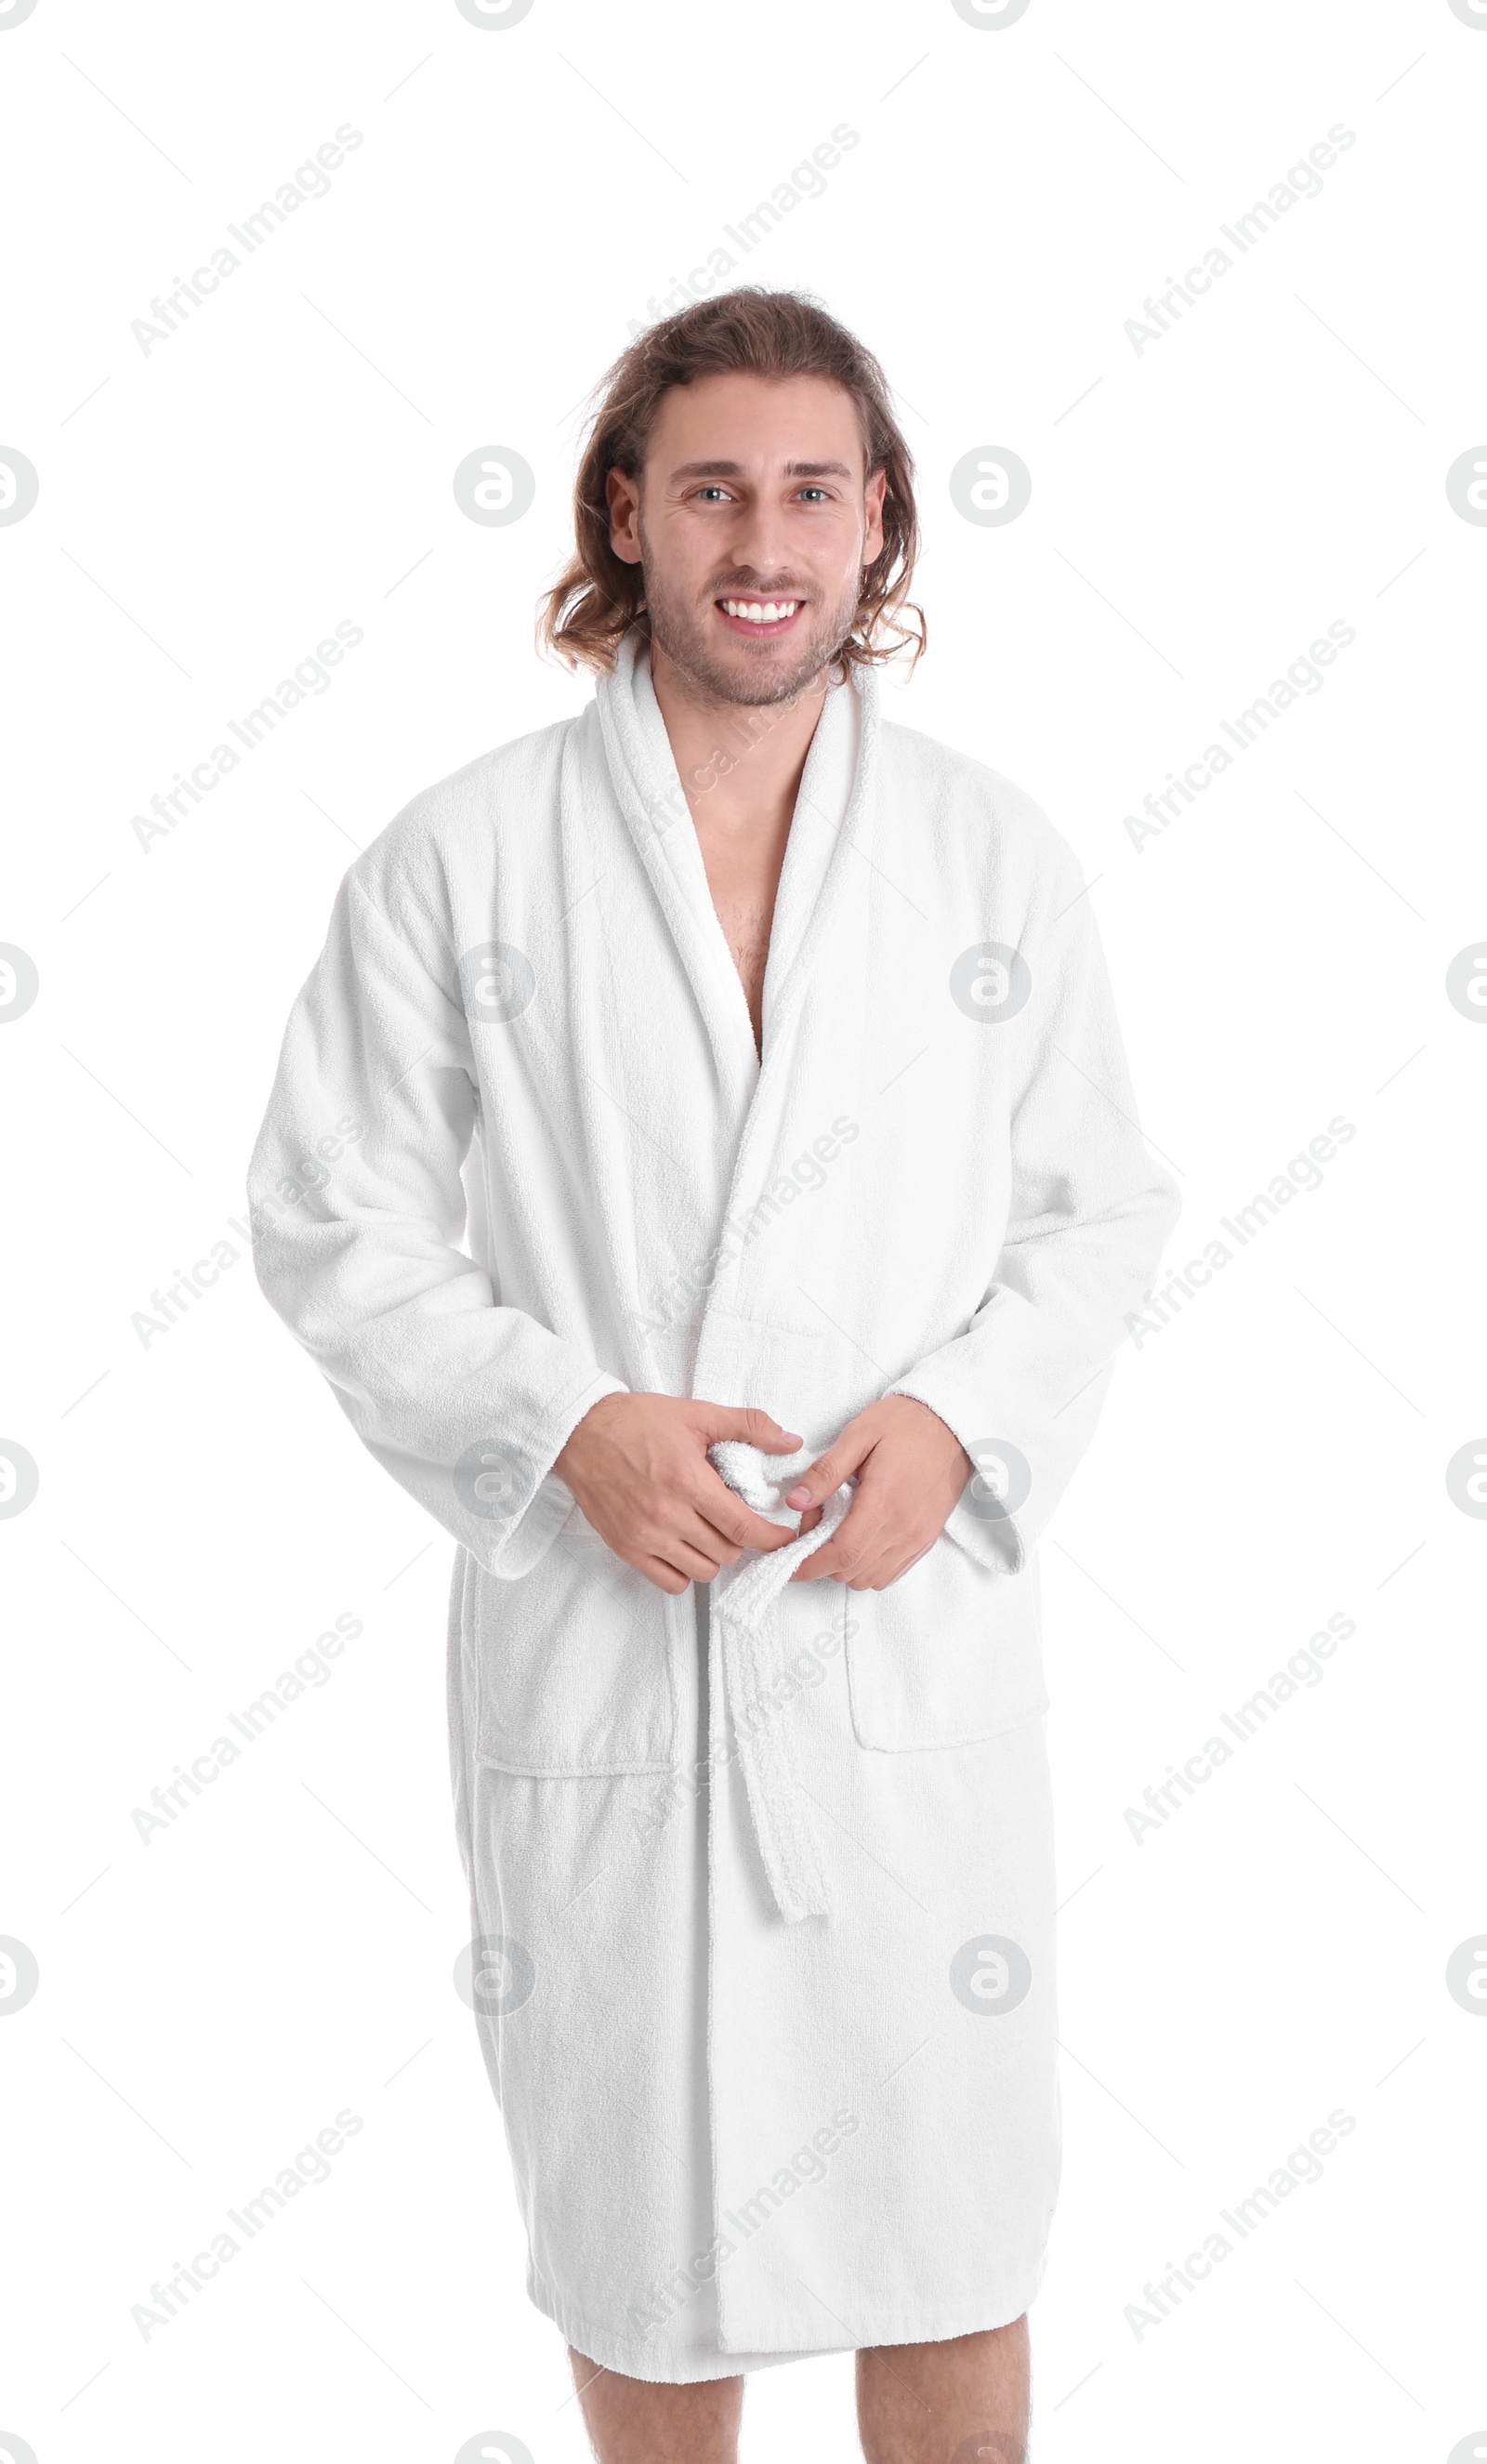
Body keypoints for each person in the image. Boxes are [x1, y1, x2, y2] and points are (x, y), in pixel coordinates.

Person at [248, 286, 1180, 2464]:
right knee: (646, 2257)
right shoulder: (463, 855)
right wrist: (560, 1424)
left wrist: (956, 1424)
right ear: (627, 521)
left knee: (950, 2249)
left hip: (892, 1646)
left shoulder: (985, 858)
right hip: (608, 1643)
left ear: (875, 531)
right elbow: (330, 1213)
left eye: (807, 489)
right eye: (708, 489)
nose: (761, 537)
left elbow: (1099, 1208)